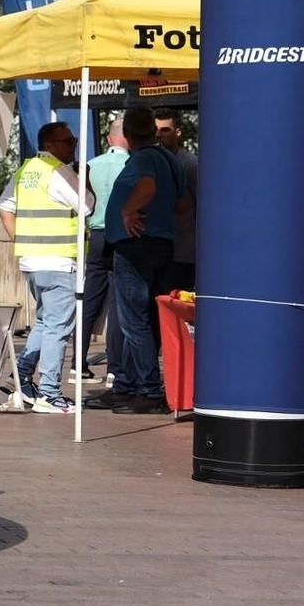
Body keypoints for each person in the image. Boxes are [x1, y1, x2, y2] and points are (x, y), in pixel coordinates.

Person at [92, 106, 188, 414]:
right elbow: (183, 205)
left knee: (135, 321)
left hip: (137, 246)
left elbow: (147, 186)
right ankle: (127, 385)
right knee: (146, 319)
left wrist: (127, 212)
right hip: (161, 244)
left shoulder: (144, 158)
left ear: (128, 135)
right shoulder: (170, 160)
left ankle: (146, 389)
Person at [0, 121, 94, 414]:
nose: (73, 146)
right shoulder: (58, 171)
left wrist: (20, 239)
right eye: (69, 141)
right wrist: (83, 177)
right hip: (59, 260)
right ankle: (49, 394)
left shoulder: (26, 171)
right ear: (51, 144)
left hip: (32, 261)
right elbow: (87, 206)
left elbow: (4, 206)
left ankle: (22, 376)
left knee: (45, 322)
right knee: (58, 328)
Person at [79, 117, 129, 386]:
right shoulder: (131, 165)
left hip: (96, 236)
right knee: (117, 305)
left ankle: (78, 365)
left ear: (109, 139)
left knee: (89, 301)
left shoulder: (91, 165)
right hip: (122, 236)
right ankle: (114, 367)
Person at [153, 108, 199, 291]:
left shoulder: (190, 164)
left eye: (165, 130)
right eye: (155, 129)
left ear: (178, 132)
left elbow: (202, 205)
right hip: (156, 250)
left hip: (182, 253)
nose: (158, 135)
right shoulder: (152, 160)